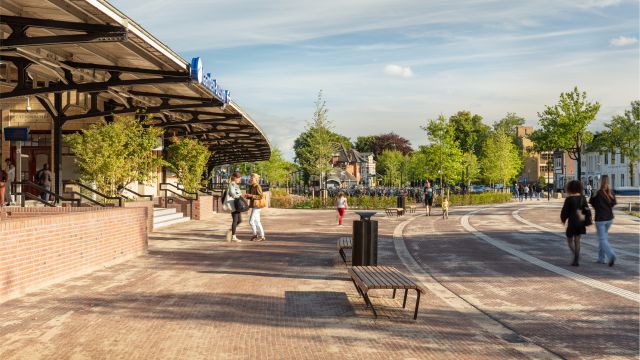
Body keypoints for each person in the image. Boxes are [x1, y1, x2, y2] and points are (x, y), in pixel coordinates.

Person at [560, 180, 590, 266]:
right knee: (577, 240)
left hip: (572, 222)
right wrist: (586, 220)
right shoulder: (582, 198)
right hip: (580, 222)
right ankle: (576, 258)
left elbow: (564, 211)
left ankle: (576, 255)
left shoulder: (569, 199)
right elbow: (587, 210)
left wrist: (563, 219)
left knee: (570, 241)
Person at [589, 175, 617, 266]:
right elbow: (613, 204)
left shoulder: (596, 193)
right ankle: (601, 258)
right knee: (603, 238)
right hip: (609, 218)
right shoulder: (610, 193)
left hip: (600, 218)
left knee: (602, 239)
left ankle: (611, 255)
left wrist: (598, 208)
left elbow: (591, 203)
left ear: (599, 182)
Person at [245, 173, 266, 241]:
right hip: (254, 205)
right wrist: (247, 196)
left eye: (252, 178)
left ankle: (255, 234)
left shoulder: (257, 186)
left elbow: (261, 196)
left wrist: (251, 196)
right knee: (257, 221)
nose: (251, 179)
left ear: (256, 179)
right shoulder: (251, 186)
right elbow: (251, 196)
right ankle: (262, 236)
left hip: (257, 206)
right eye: (250, 178)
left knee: (251, 221)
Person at [223, 172, 244, 242]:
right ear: (235, 178)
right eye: (239, 179)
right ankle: (233, 236)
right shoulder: (232, 184)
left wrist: (241, 194)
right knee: (235, 220)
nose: (239, 180)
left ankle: (231, 231)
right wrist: (239, 195)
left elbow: (237, 193)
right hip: (233, 204)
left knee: (239, 220)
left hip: (236, 204)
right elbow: (233, 193)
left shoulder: (235, 184)